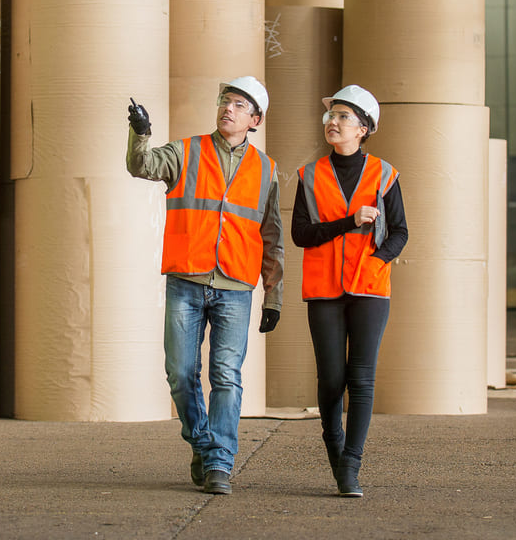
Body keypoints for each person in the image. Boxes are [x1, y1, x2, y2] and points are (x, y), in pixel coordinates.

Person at [125, 76, 284, 496]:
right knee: (180, 373)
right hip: (187, 280)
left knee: (227, 377)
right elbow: (141, 166)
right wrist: (141, 134)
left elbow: (272, 236)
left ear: (255, 119)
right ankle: (202, 441)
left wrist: (274, 295)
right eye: (224, 101)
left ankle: (218, 463)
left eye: (238, 105)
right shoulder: (186, 151)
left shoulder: (266, 169)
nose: (227, 109)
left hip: (235, 287)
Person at [291, 85, 408, 497]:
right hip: (323, 288)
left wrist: (377, 261)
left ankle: (351, 466)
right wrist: (348, 222)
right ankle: (333, 442)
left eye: (342, 117)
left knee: (361, 377)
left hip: (370, 289)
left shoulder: (384, 174)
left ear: (363, 129)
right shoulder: (308, 176)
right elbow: (301, 235)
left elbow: (400, 233)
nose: (333, 123)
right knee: (330, 379)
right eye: (331, 116)